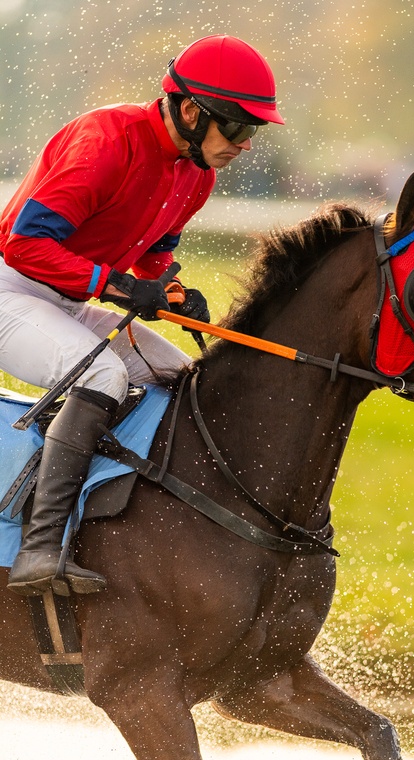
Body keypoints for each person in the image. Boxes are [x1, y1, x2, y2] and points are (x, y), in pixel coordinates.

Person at [0, 34, 284, 597]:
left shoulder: (197, 175)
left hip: (66, 302)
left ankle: (145, 533)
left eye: (253, 131)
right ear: (190, 110)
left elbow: (153, 260)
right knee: (104, 374)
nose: (245, 145)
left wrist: (174, 290)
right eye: (239, 128)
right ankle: (38, 548)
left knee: (180, 378)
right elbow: (23, 244)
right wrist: (117, 285)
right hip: (10, 295)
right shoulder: (105, 140)